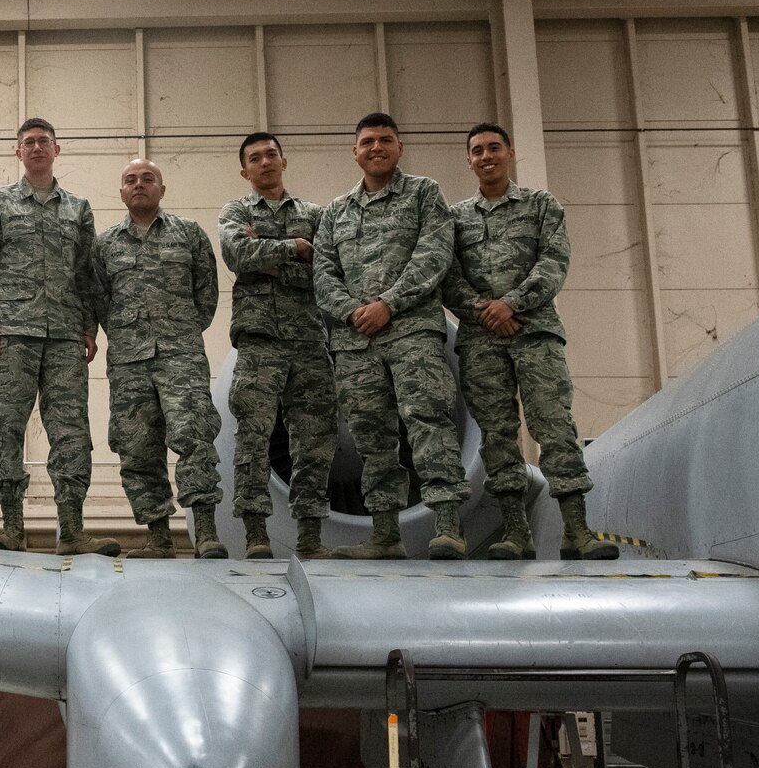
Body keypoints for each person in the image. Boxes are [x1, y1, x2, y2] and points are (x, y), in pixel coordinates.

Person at [442, 122, 618, 560]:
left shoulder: (542, 206)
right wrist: (487, 310)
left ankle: (577, 531)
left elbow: (554, 263)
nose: (486, 156)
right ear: (468, 161)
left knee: (554, 428)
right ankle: (515, 534)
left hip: (535, 335)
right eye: (477, 151)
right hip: (482, 342)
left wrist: (513, 305)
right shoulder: (455, 218)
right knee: (498, 438)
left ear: (510, 153)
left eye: (494, 148)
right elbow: (447, 277)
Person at [313, 112, 469, 560]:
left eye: (385, 140)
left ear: (400, 147)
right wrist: (352, 311)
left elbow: (434, 253)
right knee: (370, 436)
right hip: (354, 340)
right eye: (367, 142)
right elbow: (323, 271)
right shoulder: (336, 211)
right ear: (355, 151)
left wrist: (389, 304)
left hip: (411, 332)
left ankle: (448, 526)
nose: (376, 147)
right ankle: (384, 536)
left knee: (427, 421)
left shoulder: (424, 193)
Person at [0, 119, 118, 555]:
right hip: (11, 335)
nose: (36, 148)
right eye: (28, 143)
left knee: (71, 432)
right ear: (18, 153)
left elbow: (86, 275)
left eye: (43, 142)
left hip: (65, 337)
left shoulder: (78, 208)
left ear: (57, 149)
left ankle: (72, 530)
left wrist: (90, 328)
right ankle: (12, 528)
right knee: (8, 430)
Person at [89, 158, 226, 559]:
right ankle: (159, 537)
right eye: (130, 180)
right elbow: (100, 301)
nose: (139, 185)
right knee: (137, 447)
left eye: (148, 179)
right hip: (129, 362)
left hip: (181, 357)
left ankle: (206, 534)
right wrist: (128, 336)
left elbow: (207, 294)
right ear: (121, 192)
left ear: (162, 189)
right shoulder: (105, 244)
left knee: (194, 438)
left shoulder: (189, 234)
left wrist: (179, 332)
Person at [218, 132, 337, 560]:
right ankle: (255, 534)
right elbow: (237, 254)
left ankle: (310, 536)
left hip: (309, 340)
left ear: (284, 162)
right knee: (253, 439)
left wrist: (267, 255)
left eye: (271, 155)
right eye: (255, 158)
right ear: (244, 171)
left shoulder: (316, 214)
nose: (265, 162)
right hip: (259, 342)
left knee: (314, 440)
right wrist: (295, 248)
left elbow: (328, 265)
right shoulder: (235, 211)